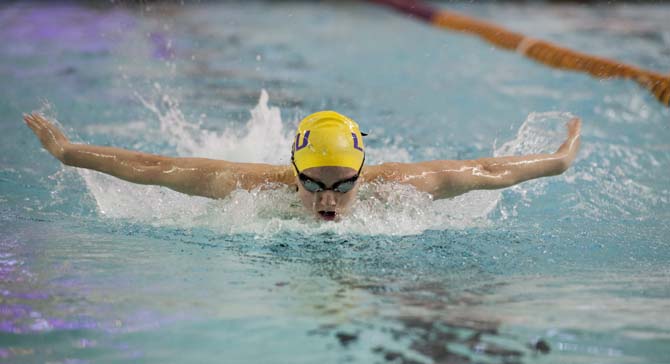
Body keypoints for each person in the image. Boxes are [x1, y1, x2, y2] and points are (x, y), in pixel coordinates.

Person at [23, 110, 581, 221]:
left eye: (342, 186)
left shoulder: (399, 190)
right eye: (311, 184)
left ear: (365, 173)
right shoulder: (250, 189)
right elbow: (159, 166)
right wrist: (72, 154)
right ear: (292, 171)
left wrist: (557, 161)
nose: (327, 202)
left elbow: (489, 170)